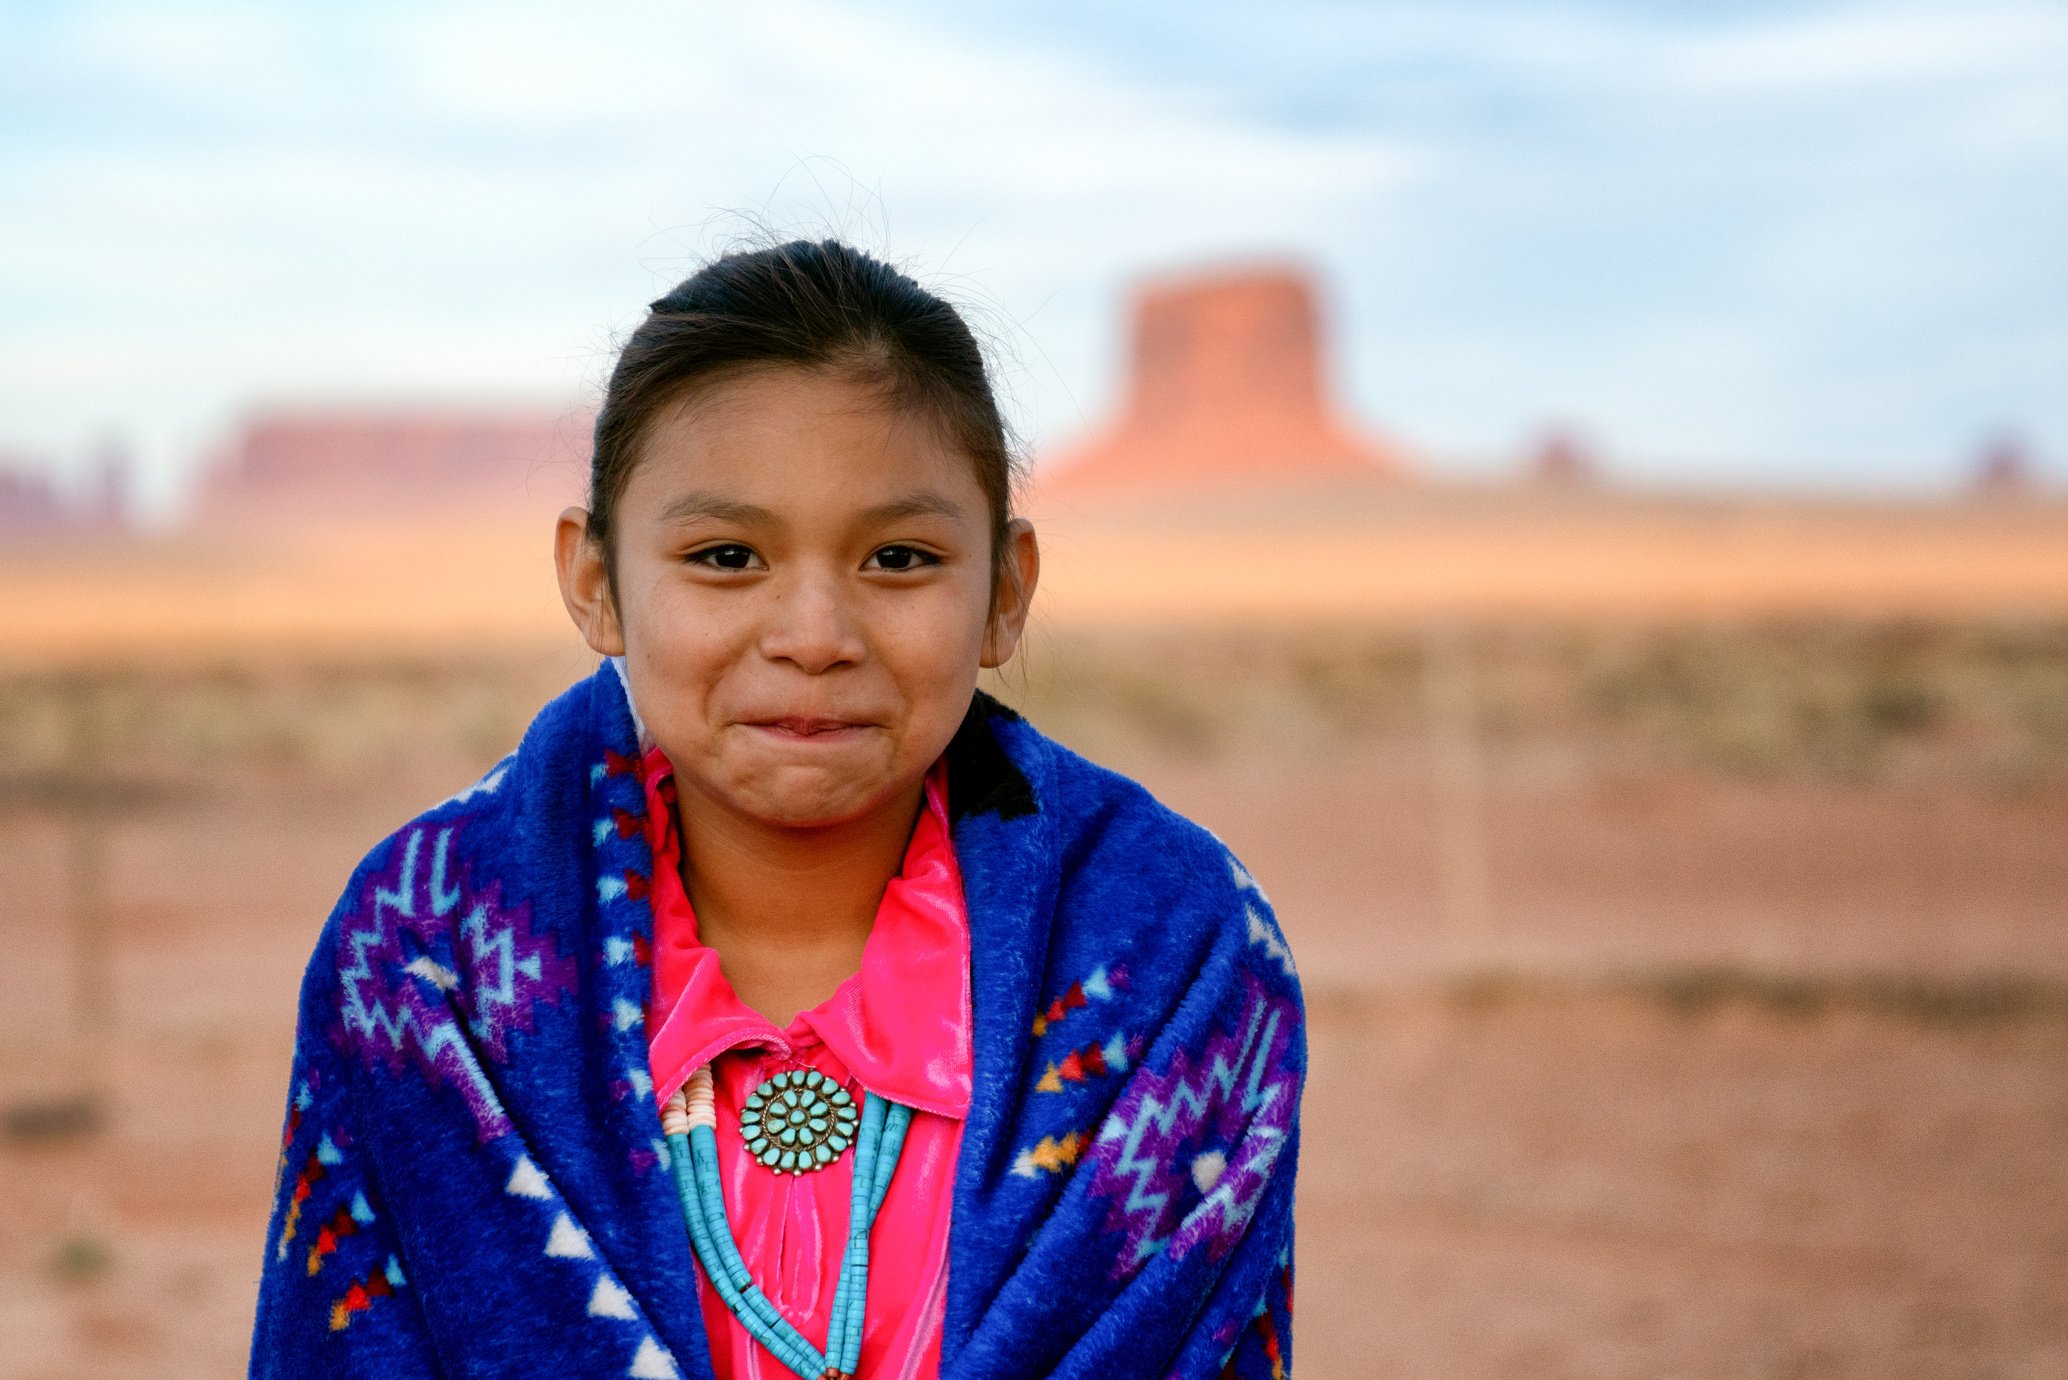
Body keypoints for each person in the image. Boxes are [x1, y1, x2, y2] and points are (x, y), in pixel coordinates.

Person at [248, 240, 1306, 1379]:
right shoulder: (423, 958)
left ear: (1004, 594)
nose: (813, 634)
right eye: (726, 556)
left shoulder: (1174, 959)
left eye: (898, 558)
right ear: (595, 582)